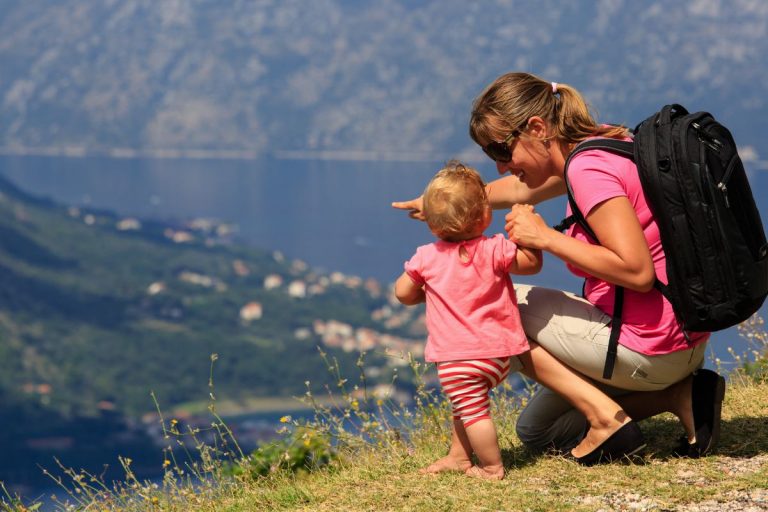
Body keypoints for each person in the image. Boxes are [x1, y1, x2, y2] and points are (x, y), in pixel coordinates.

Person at [393, 72, 726, 463]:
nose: (500, 167)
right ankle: (682, 396)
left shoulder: (588, 171)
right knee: (539, 431)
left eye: (502, 151)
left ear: (536, 128)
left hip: (647, 346)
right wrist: (447, 203)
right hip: (678, 341)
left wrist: (545, 238)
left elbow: (637, 272)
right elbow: (519, 189)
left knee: (493, 302)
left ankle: (606, 420)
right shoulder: (604, 143)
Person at [394, 161, 542, 479]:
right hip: (500, 352)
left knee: (474, 412)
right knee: (466, 405)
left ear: (432, 225)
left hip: (458, 356)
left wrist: (427, 291)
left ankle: (491, 467)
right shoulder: (495, 249)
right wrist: (529, 234)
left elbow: (403, 294)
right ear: (484, 216)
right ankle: (460, 457)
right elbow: (529, 264)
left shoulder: (426, 257)